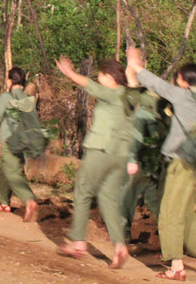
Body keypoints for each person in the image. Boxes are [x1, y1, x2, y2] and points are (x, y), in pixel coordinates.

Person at [125, 48, 196, 280]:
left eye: (178, 78)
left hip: (182, 164)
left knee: (169, 213)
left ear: (183, 81)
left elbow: (156, 84)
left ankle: (176, 267)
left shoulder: (184, 95)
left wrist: (135, 63)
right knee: (183, 212)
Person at [55, 56, 131, 269]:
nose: (99, 78)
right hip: (121, 155)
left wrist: (70, 73)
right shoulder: (130, 97)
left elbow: (90, 86)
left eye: (101, 75)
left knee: (83, 190)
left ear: (109, 77)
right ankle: (119, 246)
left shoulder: (113, 93)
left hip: (101, 150)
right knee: (108, 199)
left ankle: (79, 242)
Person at [0, 67, 40, 221]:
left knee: (11, 173)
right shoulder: (28, 99)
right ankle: (4, 203)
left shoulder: (6, 97)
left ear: (10, 81)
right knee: (7, 169)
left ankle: (29, 200)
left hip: (10, 141)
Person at [120, 84, 169, 242]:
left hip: (145, 160)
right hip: (157, 160)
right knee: (155, 198)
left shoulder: (144, 110)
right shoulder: (164, 109)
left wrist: (132, 159)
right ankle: (172, 235)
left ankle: (123, 232)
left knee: (129, 194)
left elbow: (137, 137)